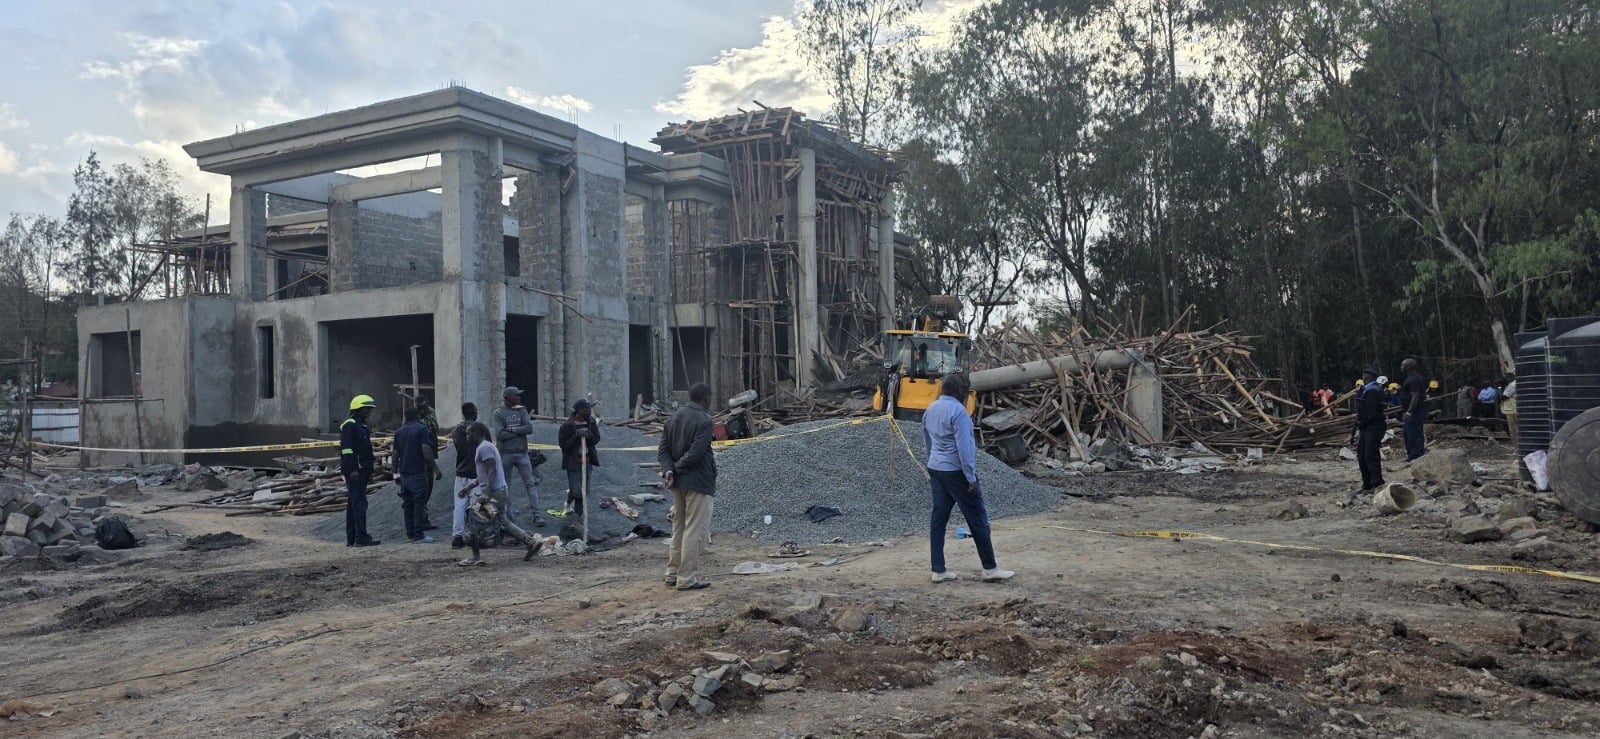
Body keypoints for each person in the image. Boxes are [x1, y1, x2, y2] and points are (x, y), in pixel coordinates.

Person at [923, 372, 1013, 583]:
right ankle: (990, 568)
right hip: (956, 470)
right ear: (960, 392)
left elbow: (926, 440)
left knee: (938, 519)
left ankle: (938, 570)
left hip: (936, 468)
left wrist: (931, 464)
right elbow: (965, 448)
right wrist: (970, 476)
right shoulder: (959, 412)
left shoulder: (930, 409)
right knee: (977, 517)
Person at [456, 421, 543, 566]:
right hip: (497, 490)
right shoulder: (485, 447)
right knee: (503, 521)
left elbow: (492, 471)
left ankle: (475, 557)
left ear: (477, 433)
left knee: (474, 521)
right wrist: (469, 487)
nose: (467, 436)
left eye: (469, 433)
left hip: (494, 491)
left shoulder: (484, 448)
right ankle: (531, 542)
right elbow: (484, 473)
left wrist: (486, 493)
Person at [658, 382, 717, 591]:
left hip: (677, 482)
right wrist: (679, 467)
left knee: (679, 528)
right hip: (698, 481)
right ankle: (687, 578)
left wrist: (670, 471)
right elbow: (696, 452)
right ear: (706, 397)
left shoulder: (672, 418)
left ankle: (672, 573)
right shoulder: (704, 420)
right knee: (693, 529)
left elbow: (663, 451)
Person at [492, 386, 543, 526]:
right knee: (506, 486)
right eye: (516, 395)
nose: (519, 398)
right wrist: (519, 432)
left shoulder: (522, 410)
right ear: (508, 398)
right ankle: (508, 516)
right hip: (505, 454)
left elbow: (529, 428)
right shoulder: (498, 413)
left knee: (530, 484)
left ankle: (537, 515)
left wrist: (512, 429)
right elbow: (499, 434)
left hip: (522, 453)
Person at [393, 407, 441, 543]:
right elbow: (425, 449)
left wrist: (395, 473)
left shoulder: (399, 432)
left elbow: (395, 453)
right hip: (418, 472)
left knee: (407, 504)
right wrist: (435, 468)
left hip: (404, 473)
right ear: (418, 416)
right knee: (419, 504)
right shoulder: (421, 429)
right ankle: (419, 534)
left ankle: (410, 534)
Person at [340, 394, 380, 547]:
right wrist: (352, 469)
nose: (369, 411)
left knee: (353, 504)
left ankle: (352, 537)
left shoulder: (362, 426)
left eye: (370, 408)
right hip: (355, 471)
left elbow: (366, 451)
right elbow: (347, 450)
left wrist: (369, 471)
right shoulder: (350, 425)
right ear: (357, 409)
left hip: (362, 470)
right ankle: (361, 537)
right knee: (359, 504)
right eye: (366, 408)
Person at [558, 398, 601, 517]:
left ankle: (577, 518)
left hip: (587, 461)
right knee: (576, 491)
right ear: (580, 410)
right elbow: (564, 445)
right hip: (573, 463)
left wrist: (588, 435)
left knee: (583, 493)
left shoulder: (591, 422)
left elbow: (596, 439)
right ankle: (568, 502)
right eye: (588, 409)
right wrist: (576, 435)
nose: (590, 411)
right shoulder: (567, 426)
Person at [1350, 368, 1387, 497]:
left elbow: (1370, 412)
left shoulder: (1373, 391)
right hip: (1367, 426)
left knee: (1370, 454)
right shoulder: (1366, 390)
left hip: (1374, 425)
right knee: (1362, 454)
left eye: (1365, 376)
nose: (1364, 378)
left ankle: (1377, 482)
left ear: (1370, 377)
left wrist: (1362, 422)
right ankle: (1367, 483)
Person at [448, 403, 480, 549]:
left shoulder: (455, 432)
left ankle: (457, 537)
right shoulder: (479, 430)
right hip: (476, 474)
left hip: (461, 473)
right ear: (474, 413)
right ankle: (475, 536)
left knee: (459, 506)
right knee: (476, 506)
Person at [415, 395, 441, 531]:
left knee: (427, 489)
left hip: (430, 453)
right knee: (422, 490)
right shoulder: (416, 419)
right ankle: (421, 521)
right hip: (421, 457)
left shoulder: (431, 413)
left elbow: (435, 429)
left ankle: (423, 519)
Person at [1398, 358, 1428, 461]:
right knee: (1408, 433)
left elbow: (1415, 397)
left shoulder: (1414, 379)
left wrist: (1409, 412)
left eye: (1403, 365)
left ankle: (1417, 455)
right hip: (1409, 411)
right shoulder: (1410, 378)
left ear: (1408, 367)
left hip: (1415, 412)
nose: (1401, 367)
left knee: (1414, 433)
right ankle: (1411, 454)